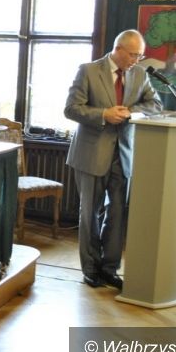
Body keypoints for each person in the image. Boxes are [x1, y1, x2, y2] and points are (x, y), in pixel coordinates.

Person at [63, 29, 162, 290]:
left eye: (140, 56)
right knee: (90, 214)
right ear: (118, 49)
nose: (136, 60)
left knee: (117, 214)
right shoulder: (88, 70)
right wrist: (103, 114)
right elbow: (71, 109)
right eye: (133, 55)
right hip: (91, 154)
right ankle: (90, 269)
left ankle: (110, 268)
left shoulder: (140, 74)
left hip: (124, 154)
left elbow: (155, 105)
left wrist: (130, 112)